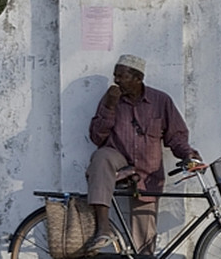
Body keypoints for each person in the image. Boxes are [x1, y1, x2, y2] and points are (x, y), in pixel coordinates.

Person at [83, 54, 199, 254]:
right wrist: (109, 106)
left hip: (147, 173)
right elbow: (96, 137)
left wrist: (189, 156)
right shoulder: (111, 98)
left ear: (138, 78)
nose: (116, 80)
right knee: (101, 157)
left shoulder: (161, 101)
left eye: (121, 76)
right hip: (118, 161)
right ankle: (103, 229)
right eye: (115, 75)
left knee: (144, 246)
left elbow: (176, 137)